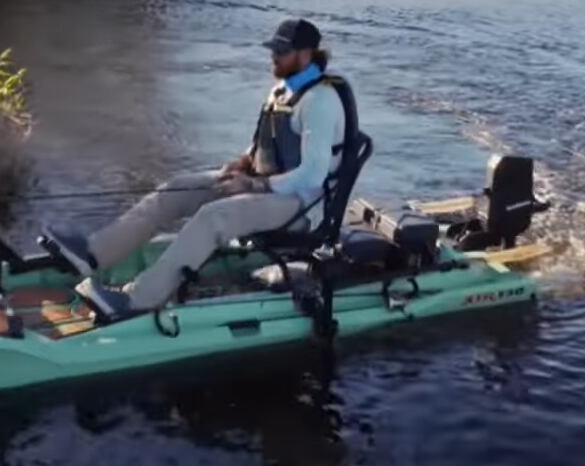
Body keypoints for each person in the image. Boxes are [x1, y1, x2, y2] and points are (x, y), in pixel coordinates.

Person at [42, 18, 358, 318]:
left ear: (305, 55)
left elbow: (312, 175)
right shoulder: (282, 90)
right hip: (267, 190)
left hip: (302, 208)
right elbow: (268, 143)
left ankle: (138, 300)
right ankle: (94, 253)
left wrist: (252, 186)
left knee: (213, 216)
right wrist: (243, 163)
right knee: (177, 189)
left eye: (281, 51)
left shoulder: (320, 101)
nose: (273, 56)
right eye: (273, 49)